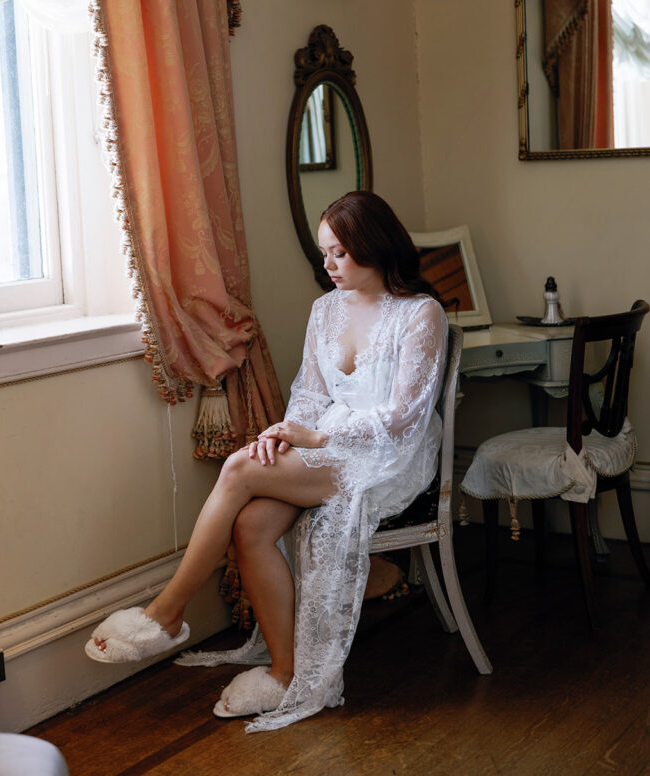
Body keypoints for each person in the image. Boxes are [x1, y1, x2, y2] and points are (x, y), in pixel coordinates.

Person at [85, 191, 448, 732]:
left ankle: (165, 613)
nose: (328, 265)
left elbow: (402, 416)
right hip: (325, 442)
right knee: (252, 524)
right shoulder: (325, 310)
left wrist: (316, 440)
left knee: (236, 470)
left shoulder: (421, 314)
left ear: (375, 247)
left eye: (340, 254)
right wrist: (283, 434)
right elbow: (309, 393)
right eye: (323, 252)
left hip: (389, 454)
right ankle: (283, 672)